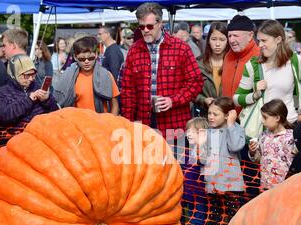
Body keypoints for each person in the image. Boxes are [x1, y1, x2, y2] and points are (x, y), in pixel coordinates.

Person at [120, 2, 203, 136]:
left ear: (160, 23)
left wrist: (173, 100)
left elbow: (196, 82)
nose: (145, 30)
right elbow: (128, 91)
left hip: (174, 122)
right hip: (144, 123)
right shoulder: (134, 50)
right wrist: (128, 123)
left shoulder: (180, 48)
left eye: (149, 26)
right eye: (141, 27)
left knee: (174, 156)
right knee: (146, 157)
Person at [235, 19, 301, 124]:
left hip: (290, 128)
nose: (260, 45)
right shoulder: (253, 65)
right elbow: (237, 99)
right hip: (262, 131)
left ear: (278, 39)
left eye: (264, 40)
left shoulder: (296, 61)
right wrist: (254, 95)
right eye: (259, 41)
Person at [198, 96, 245, 225]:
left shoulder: (236, 129)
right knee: (214, 217)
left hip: (232, 184)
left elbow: (235, 146)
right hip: (213, 183)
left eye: (215, 114)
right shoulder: (207, 133)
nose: (210, 117)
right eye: (209, 113)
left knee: (233, 217)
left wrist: (231, 125)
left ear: (227, 115)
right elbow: (202, 159)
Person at [53, 36, 119, 115]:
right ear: (75, 57)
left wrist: (110, 123)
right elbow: (58, 103)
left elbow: (115, 105)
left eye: (90, 58)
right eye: (82, 59)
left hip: (101, 123)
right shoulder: (69, 76)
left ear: (96, 54)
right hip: (78, 123)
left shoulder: (107, 75)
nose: (87, 61)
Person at [0, 54, 58, 125]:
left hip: (41, 132)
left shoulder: (38, 87)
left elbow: (56, 113)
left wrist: (47, 100)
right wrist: (29, 100)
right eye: (27, 75)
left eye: (33, 74)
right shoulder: (2, 93)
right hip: (17, 134)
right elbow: (3, 116)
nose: (31, 78)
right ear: (14, 75)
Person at [248, 99, 295, 190]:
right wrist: (253, 152)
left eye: (265, 117)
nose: (262, 121)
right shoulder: (263, 135)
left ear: (277, 118)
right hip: (265, 185)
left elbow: (292, 163)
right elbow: (259, 159)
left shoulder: (290, 137)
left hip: (283, 188)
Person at [182, 117, 209, 225]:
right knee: (192, 224)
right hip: (189, 195)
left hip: (201, 196)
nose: (188, 134)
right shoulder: (188, 152)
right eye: (188, 131)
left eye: (193, 131)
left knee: (200, 223)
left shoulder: (203, 152)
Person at [221, 15, 260, 101]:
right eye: (229, 36)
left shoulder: (259, 57)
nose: (231, 40)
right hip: (228, 112)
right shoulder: (228, 56)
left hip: (249, 113)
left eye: (235, 35)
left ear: (250, 36)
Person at [194, 22, 229, 116]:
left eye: (222, 39)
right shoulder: (198, 63)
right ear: (208, 40)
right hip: (206, 115)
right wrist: (203, 100)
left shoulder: (233, 63)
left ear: (228, 41)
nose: (217, 44)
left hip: (228, 115)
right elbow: (191, 90)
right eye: (214, 39)